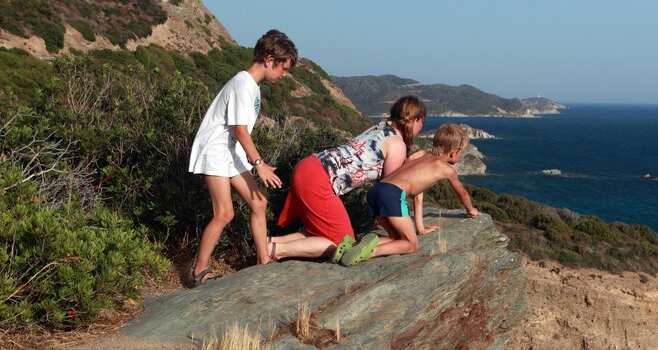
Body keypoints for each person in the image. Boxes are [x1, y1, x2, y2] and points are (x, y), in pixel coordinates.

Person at [188, 29, 297, 286]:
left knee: (259, 203)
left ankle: (263, 261)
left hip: (230, 153)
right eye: (284, 68)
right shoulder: (242, 84)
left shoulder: (253, 88)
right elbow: (239, 129)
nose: (284, 75)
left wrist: (255, 161)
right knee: (224, 213)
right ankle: (199, 270)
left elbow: (241, 133)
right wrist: (258, 165)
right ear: (270, 60)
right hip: (215, 151)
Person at [269, 96, 427, 262]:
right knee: (342, 243)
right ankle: (276, 250)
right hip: (319, 179)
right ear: (415, 120)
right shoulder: (397, 144)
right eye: (422, 123)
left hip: (309, 166)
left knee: (323, 231)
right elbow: (389, 190)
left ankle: (272, 242)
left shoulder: (381, 128)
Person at [339, 124, 479, 266]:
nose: (461, 156)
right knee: (411, 245)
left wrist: (421, 228)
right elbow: (463, 194)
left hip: (376, 191)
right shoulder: (447, 170)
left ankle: (351, 247)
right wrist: (470, 210)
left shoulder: (420, 154)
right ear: (454, 152)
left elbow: (417, 194)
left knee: (396, 239)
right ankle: (371, 252)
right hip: (392, 194)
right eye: (461, 153)